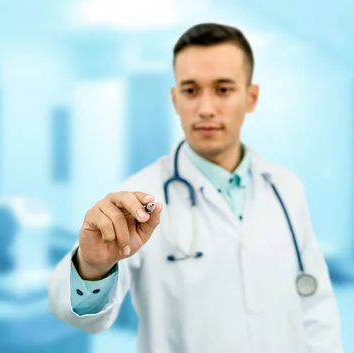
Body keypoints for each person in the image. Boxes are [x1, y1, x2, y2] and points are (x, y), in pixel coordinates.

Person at [47, 22, 343, 353]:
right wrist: (93, 267)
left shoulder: (285, 187)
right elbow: (80, 315)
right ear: (175, 99)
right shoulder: (140, 198)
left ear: (251, 97)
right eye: (190, 90)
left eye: (223, 89)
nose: (205, 108)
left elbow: (316, 306)